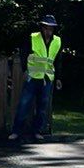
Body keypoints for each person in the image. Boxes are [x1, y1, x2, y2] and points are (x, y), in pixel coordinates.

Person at [8, 15, 62, 143]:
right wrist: (24, 70)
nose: (49, 31)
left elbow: (58, 60)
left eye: (51, 28)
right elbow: (23, 54)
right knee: (24, 104)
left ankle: (37, 131)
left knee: (42, 105)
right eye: (47, 28)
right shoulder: (33, 38)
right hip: (33, 77)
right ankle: (16, 131)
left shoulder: (57, 41)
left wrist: (59, 78)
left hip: (47, 77)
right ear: (42, 27)